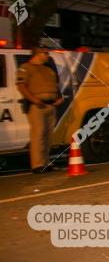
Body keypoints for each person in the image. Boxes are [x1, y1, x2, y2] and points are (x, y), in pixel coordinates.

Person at [15, 46, 64, 174]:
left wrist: (59, 98)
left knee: (48, 136)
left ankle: (46, 163)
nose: (48, 55)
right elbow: (21, 86)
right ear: (38, 54)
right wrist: (34, 100)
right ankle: (37, 165)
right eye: (46, 53)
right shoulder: (26, 67)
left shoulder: (48, 70)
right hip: (37, 106)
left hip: (51, 106)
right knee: (38, 135)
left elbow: (55, 86)